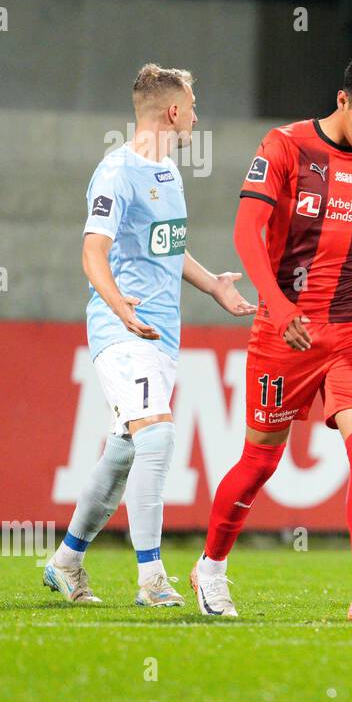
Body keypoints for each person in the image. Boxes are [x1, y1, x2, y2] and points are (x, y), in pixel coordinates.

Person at [191, 55, 352, 621]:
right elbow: (246, 230)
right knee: (260, 462)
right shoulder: (284, 147)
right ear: (341, 101)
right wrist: (279, 308)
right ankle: (209, 568)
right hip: (290, 332)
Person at [45, 64, 256, 606]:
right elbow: (93, 251)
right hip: (123, 331)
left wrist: (214, 287)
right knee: (157, 438)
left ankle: (66, 561)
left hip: (160, 335)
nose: (197, 115)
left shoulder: (167, 172)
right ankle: (151, 578)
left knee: (122, 452)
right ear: (173, 111)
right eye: (193, 104)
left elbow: (167, 245)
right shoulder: (116, 172)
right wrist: (119, 307)